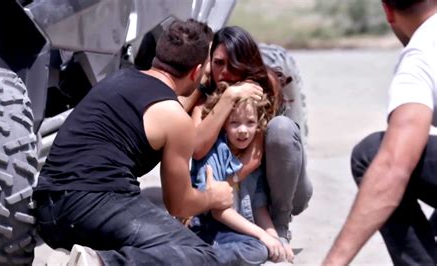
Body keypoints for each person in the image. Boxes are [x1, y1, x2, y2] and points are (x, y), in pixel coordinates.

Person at [32, 19, 234, 265]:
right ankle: (96, 263)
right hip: (93, 205)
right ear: (196, 71)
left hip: (47, 211)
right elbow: (179, 205)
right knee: (202, 255)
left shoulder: (117, 80)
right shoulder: (175, 118)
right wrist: (213, 197)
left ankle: (83, 257)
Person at [324, 0, 437, 265]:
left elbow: (392, 166)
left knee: (371, 153)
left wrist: (334, 262)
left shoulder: (423, 53)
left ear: (387, 11)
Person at [188, 26, 313, 261]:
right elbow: (196, 149)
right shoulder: (206, 96)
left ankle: (282, 224)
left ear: (246, 63)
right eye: (218, 63)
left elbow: (254, 159)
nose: (224, 72)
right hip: (245, 197)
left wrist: (221, 188)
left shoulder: (265, 86)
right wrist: (229, 97)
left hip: (285, 187)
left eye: (233, 64)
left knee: (281, 129)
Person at [189, 82, 288, 264]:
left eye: (250, 123)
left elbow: (259, 207)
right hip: (205, 227)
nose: (243, 130)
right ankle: (195, 258)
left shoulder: (253, 157)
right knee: (257, 248)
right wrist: (261, 234)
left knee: (260, 249)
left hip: (234, 230)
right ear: (224, 123)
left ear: (259, 123)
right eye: (234, 123)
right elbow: (218, 211)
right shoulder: (214, 152)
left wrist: (275, 239)